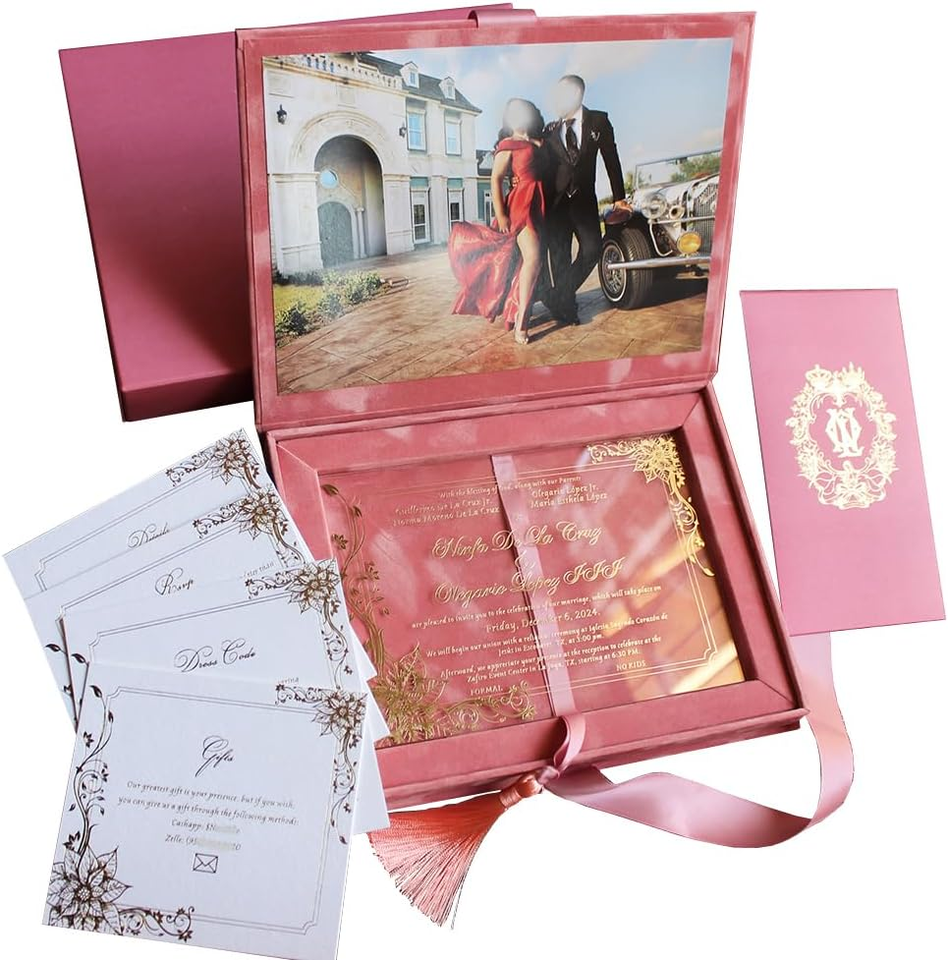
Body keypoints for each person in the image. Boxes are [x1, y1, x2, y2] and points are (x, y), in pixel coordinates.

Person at [447, 98, 547, 345]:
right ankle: (522, 320)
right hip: (521, 205)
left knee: (528, 263)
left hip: (540, 203)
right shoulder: (508, 144)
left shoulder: (540, 142)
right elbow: (495, 178)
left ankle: (518, 311)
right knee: (533, 259)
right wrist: (501, 215)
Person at [542, 74, 631, 324]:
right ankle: (567, 309)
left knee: (592, 250)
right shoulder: (549, 131)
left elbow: (611, 159)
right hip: (557, 206)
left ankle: (557, 296)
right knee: (559, 258)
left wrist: (619, 198)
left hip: (584, 203)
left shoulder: (598, 121)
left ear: (575, 94)